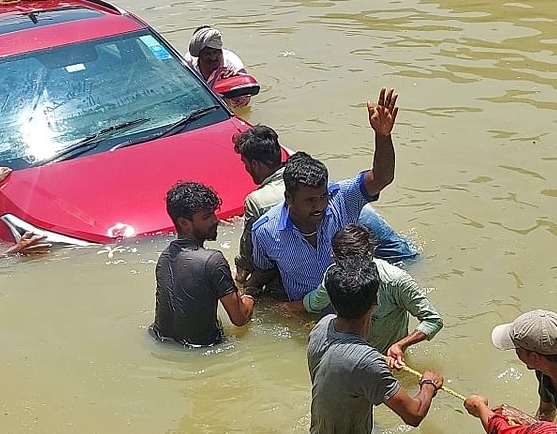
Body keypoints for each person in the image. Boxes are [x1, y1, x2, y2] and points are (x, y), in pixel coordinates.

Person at [247, 88, 413, 301]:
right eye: (309, 201)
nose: (319, 206)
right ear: (288, 197)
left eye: (322, 197)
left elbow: (382, 178)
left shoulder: (342, 198)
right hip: (309, 314)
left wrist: (383, 136)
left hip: (357, 308)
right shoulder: (264, 231)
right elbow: (264, 272)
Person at [302, 256, 444, 434]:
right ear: (374, 304)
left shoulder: (321, 327)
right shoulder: (367, 362)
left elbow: (344, 380)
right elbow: (414, 415)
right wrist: (428, 385)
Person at [298, 224, 442, 368]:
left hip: (388, 360)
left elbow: (433, 320)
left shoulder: (396, 281)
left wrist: (400, 345)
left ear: (371, 255)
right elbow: (315, 303)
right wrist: (284, 307)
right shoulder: (335, 277)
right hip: (350, 356)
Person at [151, 182, 255, 346]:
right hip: (203, 349)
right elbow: (239, 319)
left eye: (213, 213)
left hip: (162, 341)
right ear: (184, 223)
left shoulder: (164, 256)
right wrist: (250, 295)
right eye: (206, 217)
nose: (216, 220)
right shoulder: (212, 261)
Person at [183, 25, 252, 108]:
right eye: (207, 53)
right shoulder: (188, 63)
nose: (213, 58)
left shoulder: (233, 65)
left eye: (216, 52)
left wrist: (232, 84)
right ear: (199, 54)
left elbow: (244, 100)